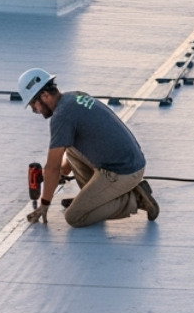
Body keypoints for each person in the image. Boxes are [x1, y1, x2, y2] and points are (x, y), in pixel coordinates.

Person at [17, 67, 159, 227]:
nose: (34, 111)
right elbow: (63, 165)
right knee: (69, 147)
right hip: (130, 161)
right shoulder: (74, 96)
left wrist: (44, 204)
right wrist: (58, 174)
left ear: (44, 95)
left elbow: (53, 167)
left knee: (75, 217)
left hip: (123, 171)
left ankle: (135, 199)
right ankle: (90, 202)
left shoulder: (61, 116)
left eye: (33, 105)